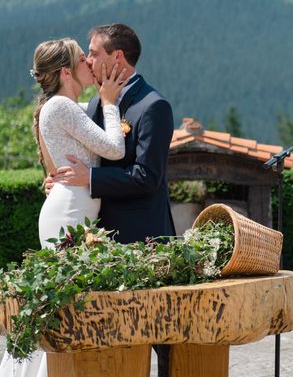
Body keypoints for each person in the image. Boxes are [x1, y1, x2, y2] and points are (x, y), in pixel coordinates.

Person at [50, 23, 175, 376]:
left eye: (94, 52)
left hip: (143, 240)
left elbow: (147, 178)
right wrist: (64, 182)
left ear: (116, 56)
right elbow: (87, 158)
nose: (88, 61)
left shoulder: (153, 106)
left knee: (159, 337)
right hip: (102, 240)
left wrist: (88, 179)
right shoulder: (95, 102)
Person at [0, 38, 127, 377]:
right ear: (66, 72)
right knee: (61, 304)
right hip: (69, 213)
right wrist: (110, 103)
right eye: (83, 58)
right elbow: (114, 148)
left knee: (61, 304)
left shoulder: (66, 106)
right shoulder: (62, 107)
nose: (89, 62)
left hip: (72, 209)